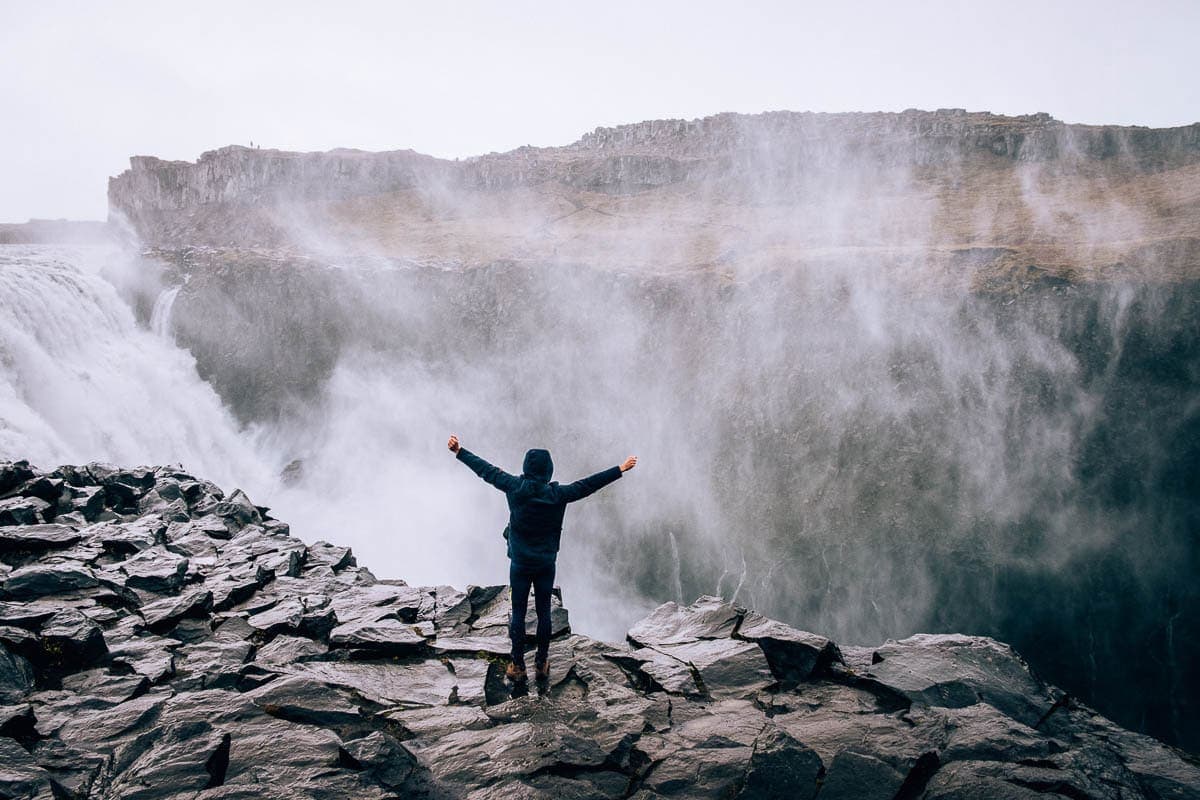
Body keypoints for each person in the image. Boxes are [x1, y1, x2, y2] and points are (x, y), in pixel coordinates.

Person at [448, 434, 636, 683]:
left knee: (518, 612)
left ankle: (517, 664)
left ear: (526, 468)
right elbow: (587, 485)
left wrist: (460, 451)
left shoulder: (514, 487)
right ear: (549, 471)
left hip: (520, 563)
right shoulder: (558, 495)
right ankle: (542, 662)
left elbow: (486, 470)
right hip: (546, 563)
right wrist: (620, 469)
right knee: (544, 612)